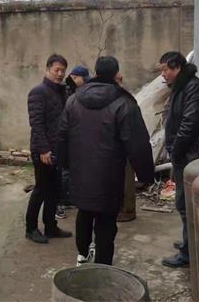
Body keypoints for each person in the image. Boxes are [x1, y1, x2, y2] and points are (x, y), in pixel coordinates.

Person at [57, 56, 154, 266]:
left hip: (80, 172)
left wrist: (65, 165)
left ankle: (82, 255)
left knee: (84, 212)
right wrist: (146, 175)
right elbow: (138, 143)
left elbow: (62, 135)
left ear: (95, 72)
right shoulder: (124, 103)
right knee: (106, 220)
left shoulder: (74, 100)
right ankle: (102, 265)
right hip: (109, 175)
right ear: (116, 74)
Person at [159, 51, 199, 268]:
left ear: (177, 68)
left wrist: (176, 151)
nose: (163, 74)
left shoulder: (193, 88)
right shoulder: (181, 86)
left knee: (187, 204)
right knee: (183, 202)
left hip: (191, 156)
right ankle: (188, 241)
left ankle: (188, 253)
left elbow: (188, 124)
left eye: (165, 69)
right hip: (185, 154)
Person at [25, 54, 72, 244]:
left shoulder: (63, 92)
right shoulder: (38, 92)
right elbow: (36, 124)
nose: (60, 74)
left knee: (55, 190)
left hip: (58, 150)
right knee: (41, 190)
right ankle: (31, 228)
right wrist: (44, 150)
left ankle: (50, 226)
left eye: (63, 71)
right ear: (47, 69)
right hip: (43, 151)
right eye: (56, 70)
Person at [57, 64, 91, 220]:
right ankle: (60, 202)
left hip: (75, 137)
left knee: (71, 171)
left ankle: (68, 198)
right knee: (64, 171)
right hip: (67, 136)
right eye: (84, 79)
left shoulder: (78, 91)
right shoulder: (66, 92)